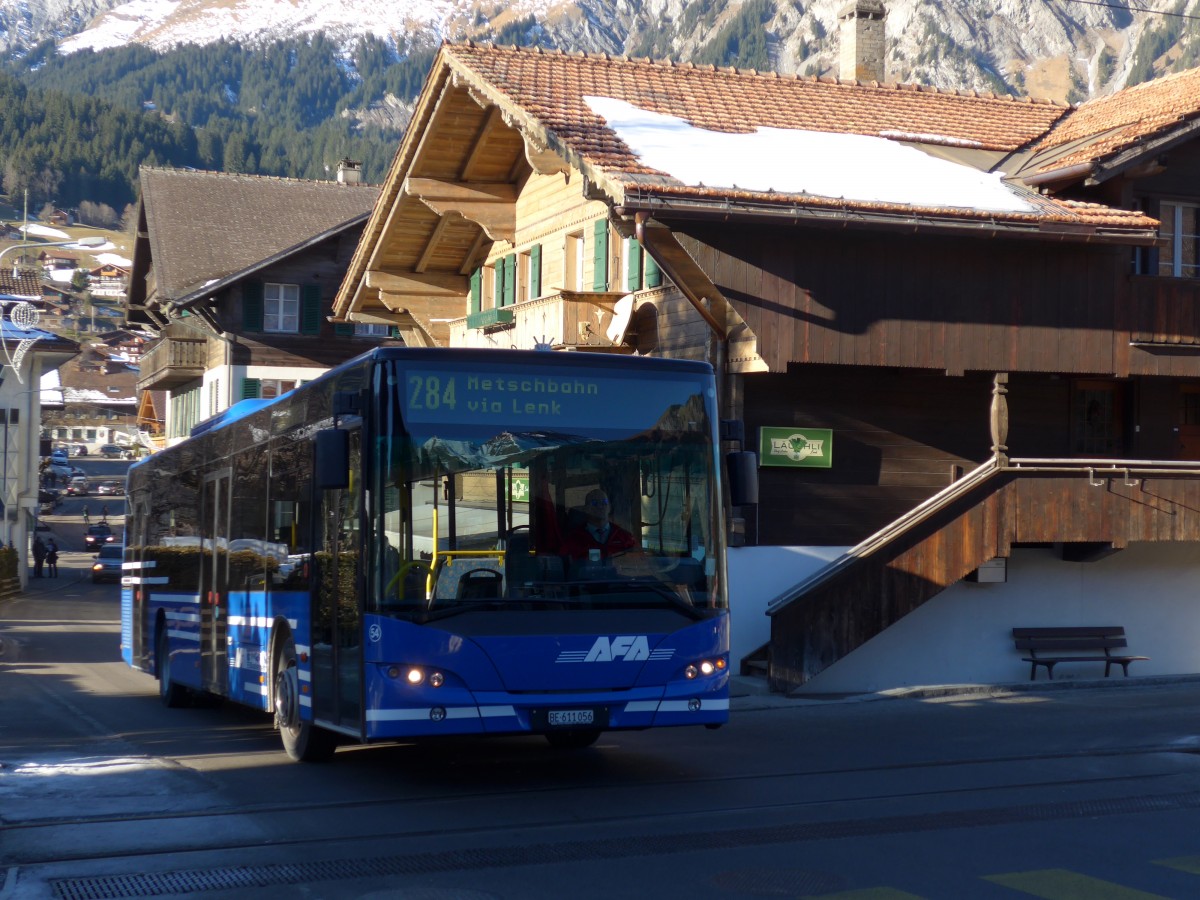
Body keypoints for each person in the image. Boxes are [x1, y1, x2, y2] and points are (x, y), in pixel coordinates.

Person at [560, 488, 637, 560]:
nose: (600, 506)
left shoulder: (625, 537)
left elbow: (639, 563)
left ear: (609, 507)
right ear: (586, 509)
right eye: (594, 503)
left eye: (604, 502)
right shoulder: (574, 539)